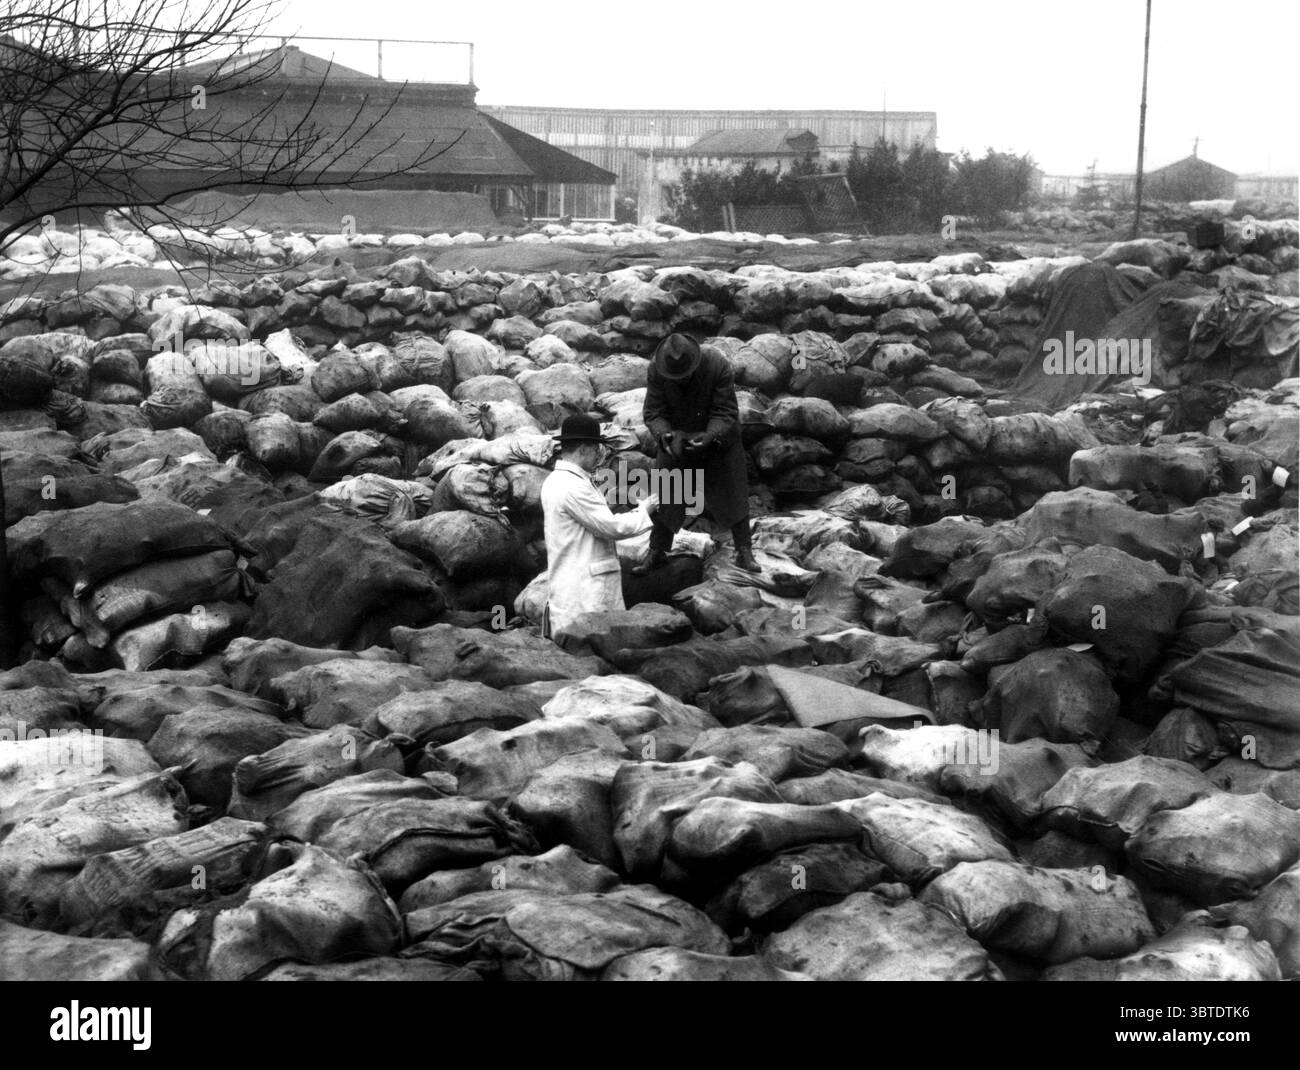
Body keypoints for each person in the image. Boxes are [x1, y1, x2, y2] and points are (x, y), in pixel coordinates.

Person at [637, 332, 761, 575]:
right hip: (678, 439)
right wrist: (664, 434)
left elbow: (725, 410)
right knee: (667, 490)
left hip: (718, 439)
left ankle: (744, 550)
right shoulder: (656, 370)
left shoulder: (717, 364)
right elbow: (653, 411)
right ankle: (657, 551)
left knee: (733, 491)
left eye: (684, 375)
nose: (680, 380)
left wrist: (711, 436)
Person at [540, 413, 659, 639]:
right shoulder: (573, 486)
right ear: (583, 449)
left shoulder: (557, 481)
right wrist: (645, 510)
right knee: (593, 652)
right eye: (596, 449)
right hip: (586, 590)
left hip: (572, 583)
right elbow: (611, 527)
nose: (599, 455)